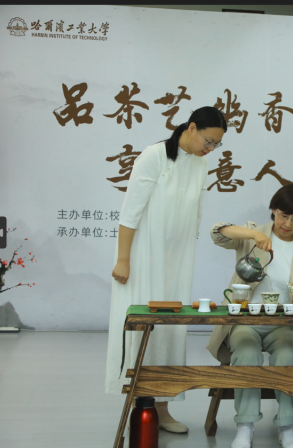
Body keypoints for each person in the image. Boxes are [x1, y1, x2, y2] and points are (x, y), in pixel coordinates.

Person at [105, 106, 227, 434]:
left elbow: (193, 213)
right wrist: (123, 259)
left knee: (171, 328)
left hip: (176, 259)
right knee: (143, 326)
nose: (210, 148)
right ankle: (140, 404)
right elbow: (131, 212)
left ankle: (162, 407)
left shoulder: (200, 164)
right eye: (208, 140)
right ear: (191, 127)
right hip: (144, 256)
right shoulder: (155, 156)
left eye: (216, 144)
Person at [206, 184, 293, 448]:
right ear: (273, 210)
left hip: (283, 323)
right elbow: (217, 232)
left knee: (289, 354)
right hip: (247, 320)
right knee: (246, 352)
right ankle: (245, 427)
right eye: (283, 215)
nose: (287, 224)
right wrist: (254, 233)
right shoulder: (252, 236)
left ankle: (287, 425)